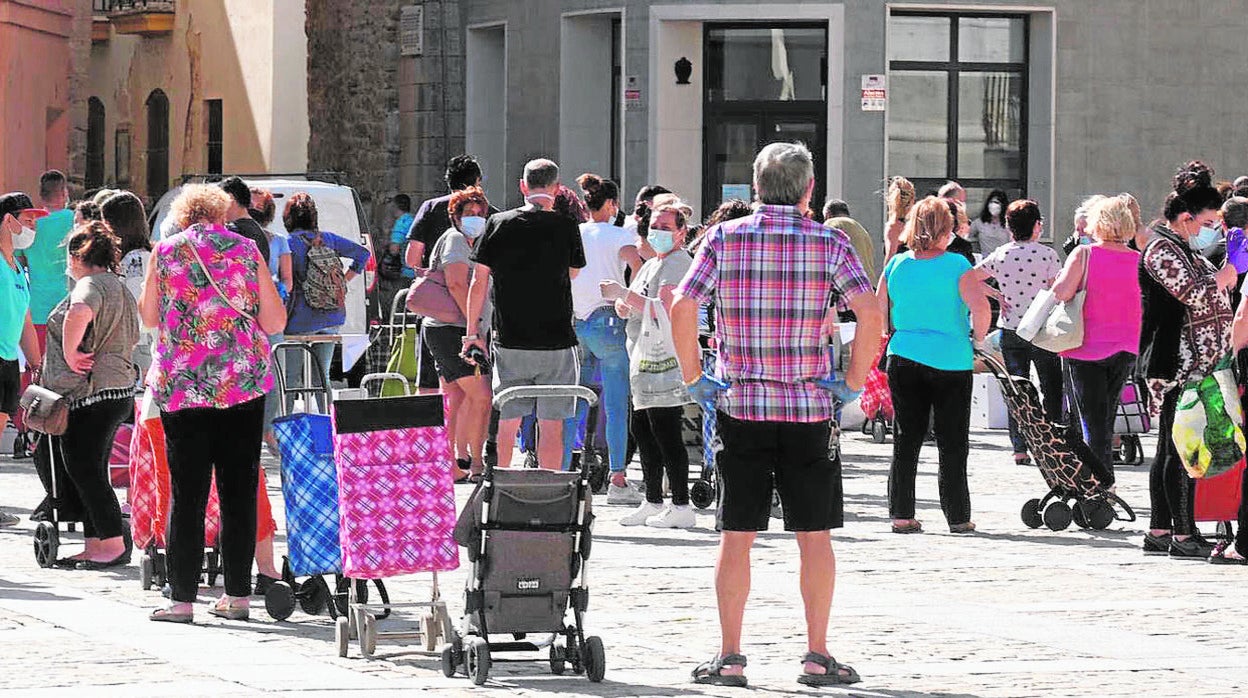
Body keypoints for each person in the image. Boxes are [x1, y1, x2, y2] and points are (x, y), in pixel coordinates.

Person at [671, 142, 884, 688]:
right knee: (814, 535)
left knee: (736, 533)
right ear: (809, 188)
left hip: (741, 404)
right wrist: (853, 381)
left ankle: (731, 655)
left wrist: (696, 377)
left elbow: (682, 304)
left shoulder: (723, 237)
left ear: (756, 186)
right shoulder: (830, 241)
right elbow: (869, 311)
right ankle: (816, 654)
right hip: (809, 407)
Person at [139, 184, 286, 622]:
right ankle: (238, 596)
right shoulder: (245, 250)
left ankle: (182, 599)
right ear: (222, 214)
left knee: (188, 491)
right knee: (238, 488)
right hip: (242, 382)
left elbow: (148, 317)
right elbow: (275, 319)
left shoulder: (166, 252)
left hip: (183, 384)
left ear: (183, 217)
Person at [1140, 161, 1237, 560]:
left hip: (1193, 362)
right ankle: (1182, 534)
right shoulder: (1162, 249)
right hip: (1175, 362)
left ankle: (1162, 529)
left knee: (1172, 446)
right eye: (1207, 222)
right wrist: (1229, 273)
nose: (1208, 229)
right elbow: (1194, 293)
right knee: (1182, 448)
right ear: (1185, 218)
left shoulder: (1180, 246)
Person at [463, 158, 586, 471]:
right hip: (557, 339)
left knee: (508, 418)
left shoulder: (497, 223)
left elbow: (478, 282)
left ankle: (502, 486)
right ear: (557, 189)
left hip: (510, 338)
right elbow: (573, 273)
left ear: (523, 185)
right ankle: (549, 493)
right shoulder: (566, 225)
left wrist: (470, 332)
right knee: (552, 424)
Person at [879, 196, 991, 536]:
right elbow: (982, 310)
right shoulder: (957, 266)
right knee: (952, 440)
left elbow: (881, 309)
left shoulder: (896, 265)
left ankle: (901, 513)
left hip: (904, 355)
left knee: (906, 437)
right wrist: (979, 340)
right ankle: (957, 515)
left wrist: (893, 332)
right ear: (946, 230)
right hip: (950, 358)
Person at [35, 222, 139, 567]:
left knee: (84, 469)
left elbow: (80, 309)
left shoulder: (91, 284)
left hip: (93, 392)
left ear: (79, 256)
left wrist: (69, 352)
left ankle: (110, 543)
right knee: (89, 468)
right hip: (117, 389)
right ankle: (96, 542)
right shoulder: (119, 287)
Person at [602, 201, 695, 527]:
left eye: (666, 228)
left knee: (666, 432)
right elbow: (640, 302)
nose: (657, 233)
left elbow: (665, 307)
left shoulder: (676, 263)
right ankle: (653, 498)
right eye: (654, 226)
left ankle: (681, 505)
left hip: (664, 361)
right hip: (643, 355)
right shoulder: (655, 263)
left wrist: (623, 295)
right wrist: (623, 302)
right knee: (643, 430)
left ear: (682, 233)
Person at [1049, 196, 1141, 489]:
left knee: (1090, 419)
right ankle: (1104, 478)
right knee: (1106, 415)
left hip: (1085, 345)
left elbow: (1062, 293)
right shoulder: (1139, 260)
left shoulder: (1084, 254)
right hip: (1126, 345)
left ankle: (1099, 481)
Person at [963, 200, 1063, 464]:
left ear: (1009, 227)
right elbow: (1059, 290)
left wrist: (995, 294)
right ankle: (1053, 441)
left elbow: (970, 277)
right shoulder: (1048, 255)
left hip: (1011, 328)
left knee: (1016, 389)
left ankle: (1019, 447)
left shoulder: (1001, 254)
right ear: (1037, 226)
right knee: (1051, 387)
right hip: (1042, 330)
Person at [563, 174, 642, 500]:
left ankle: (563, 469)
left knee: (572, 401)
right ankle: (617, 478)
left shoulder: (576, 233)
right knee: (616, 401)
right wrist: (629, 297)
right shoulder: (619, 234)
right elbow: (638, 265)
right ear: (611, 204)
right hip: (609, 320)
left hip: (576, 320)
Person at [422, 186, 494, 482]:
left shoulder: (471, 241)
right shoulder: (456, 240)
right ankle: (476, 463)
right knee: (482, 397)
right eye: (469, 213)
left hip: (450, 330)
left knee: (453, 399)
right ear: (456, 217)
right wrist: (473, 329)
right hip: (455, 332)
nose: (476, 218)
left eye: (479, 213)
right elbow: (456, 284)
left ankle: (447, 463)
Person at [283, 192, 370, 408]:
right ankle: (327, 424)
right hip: (332, 315)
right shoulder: (328, 239)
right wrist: (344, 280)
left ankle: (290, 424)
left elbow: (285, 283)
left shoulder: (288, 243)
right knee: (322, 377)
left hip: (300, 319)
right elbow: (363, 254)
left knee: (292, 378)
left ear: (289, 218)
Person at [0, 192, 45, 527]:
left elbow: (25, 320)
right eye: (28, 219)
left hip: (7, 362)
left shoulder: (18, 266)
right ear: (8, 221)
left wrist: (37, 364)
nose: (32, 227)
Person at [250, 187, 292, 456]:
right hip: (246, 317)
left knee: (274, 375)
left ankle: (267, 427)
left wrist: (279, 295)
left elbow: (287, 279)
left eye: (258, 208)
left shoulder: (278, 241)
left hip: (269, 314)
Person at [100, 192, 153, 378]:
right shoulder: (138, 256)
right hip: (132, 342)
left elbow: (134, 302)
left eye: (105, 221)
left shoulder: (135, 259)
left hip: (135, 345)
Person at [18, 171, 73, 351]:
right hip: (69, 305)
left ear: (41, 195)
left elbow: (19, 261)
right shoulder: (74, 219)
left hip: (37, 308)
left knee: (37, 367)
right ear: (64, 193)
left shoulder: (30, 224)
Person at [406, 155, 486, 269]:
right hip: (478, 282)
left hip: (437, 282)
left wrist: (431, 279)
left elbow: (412, 258)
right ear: (477, 181)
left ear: (449, 180)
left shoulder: (431, 207)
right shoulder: (489, 213)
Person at [218, 176, 271, 265]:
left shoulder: (233, 230)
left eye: (219, 200)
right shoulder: (258, 231)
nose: (217, 206)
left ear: (230, 199)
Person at [822, 199, 877, 283]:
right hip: (869, 284)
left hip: (850, 285)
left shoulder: (831, 223)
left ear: (828, 215)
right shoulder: (860, 228)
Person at [883, 176, 915, 262]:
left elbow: (890, 257)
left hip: (901, 272)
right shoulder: (916, 224)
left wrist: (884, 275)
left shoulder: (893, 226)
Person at [969, 189, 1011, 255]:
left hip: (1004, 259)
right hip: (985, 260)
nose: (993, 205)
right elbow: (967, 237)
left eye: (997, 203)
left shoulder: (1008, 223)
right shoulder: (978, 222)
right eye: (991, 202)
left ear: (1003, 205)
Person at [385, 194, 416, 281]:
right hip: (418, 271)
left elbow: (394, 250)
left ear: (395, 206)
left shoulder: (401, 224)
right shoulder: (413, 219)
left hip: (407, 272)